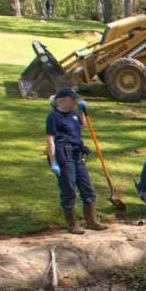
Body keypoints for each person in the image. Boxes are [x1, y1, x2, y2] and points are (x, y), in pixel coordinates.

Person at [45, 87, 108, 235]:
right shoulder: (54, 117)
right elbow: (50, 139)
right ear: (61, 100)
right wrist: (53, 161)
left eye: (75, 99)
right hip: (64, 156)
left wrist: (81, 112)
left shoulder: (72, 114)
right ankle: (72, 224)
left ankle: (92, 221)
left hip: (77, 154)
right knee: (69, 190)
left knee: (87, 187)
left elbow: (80, 127)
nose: (75, 101)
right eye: (72, 99)